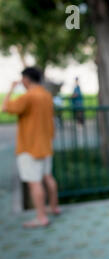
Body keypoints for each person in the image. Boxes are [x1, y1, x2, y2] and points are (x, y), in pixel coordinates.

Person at [1, 67, 61, 228]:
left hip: (30, 146)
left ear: (26, 79)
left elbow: (5, 108)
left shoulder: (28, 97)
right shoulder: (46, 95)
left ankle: (41, 217)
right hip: (45, 143)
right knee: (47, 176)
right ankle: (54, 207)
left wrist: (11, 89)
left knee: (34, 182)